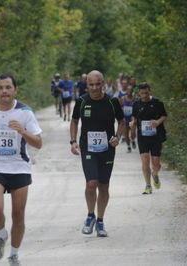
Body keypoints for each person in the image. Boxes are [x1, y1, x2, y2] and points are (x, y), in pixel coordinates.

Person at [0, 73, 43, 266]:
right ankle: (2, 235)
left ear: (15, 90)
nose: (4, 91)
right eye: (1, 88)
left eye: (8, 88)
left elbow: (38, 143)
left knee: (18, 214)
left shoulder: (25, 112)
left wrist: (22, 131)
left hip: (19, 167)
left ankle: (13, 255)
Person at [70, 70, 124, 237]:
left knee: (104, 185)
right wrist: (73, 141)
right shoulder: (82, 101)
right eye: (91, 84)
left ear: (103, 84)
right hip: (88, 148)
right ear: (87, 85)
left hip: (107, 149)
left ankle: (100, 221)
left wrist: (117, 136)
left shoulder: (112, 101)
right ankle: (90, 215)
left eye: (97, 84)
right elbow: (74, 121)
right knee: (91, 184)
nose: (94, 88)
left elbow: (122, 121)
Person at [130, 82, 167, 195]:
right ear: (139, 93)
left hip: (156, 136)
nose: (144, 96)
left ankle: (155, 174)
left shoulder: (157, 102)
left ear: (149, 91)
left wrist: (157, 122)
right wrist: (133, 123)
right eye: (142, 93)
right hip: (143, 136)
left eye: (146, 93)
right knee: (145, 161)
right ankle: (148, 185)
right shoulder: (136, 104)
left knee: (156, 164)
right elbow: (134, 117)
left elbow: (164, 115)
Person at [119, 85, 136, 153]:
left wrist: (134, 118)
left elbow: (137, 108)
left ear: (132, 91)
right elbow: (119, 108)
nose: (129, 92)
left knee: (132, 133)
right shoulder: (123, 98)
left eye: (131, 90)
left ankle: (133, 140)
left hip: (132, 118)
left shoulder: (135, 99)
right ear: (126, 91)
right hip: (125, 118)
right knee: (126, 134)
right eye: (128, 90)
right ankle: (129, 146)